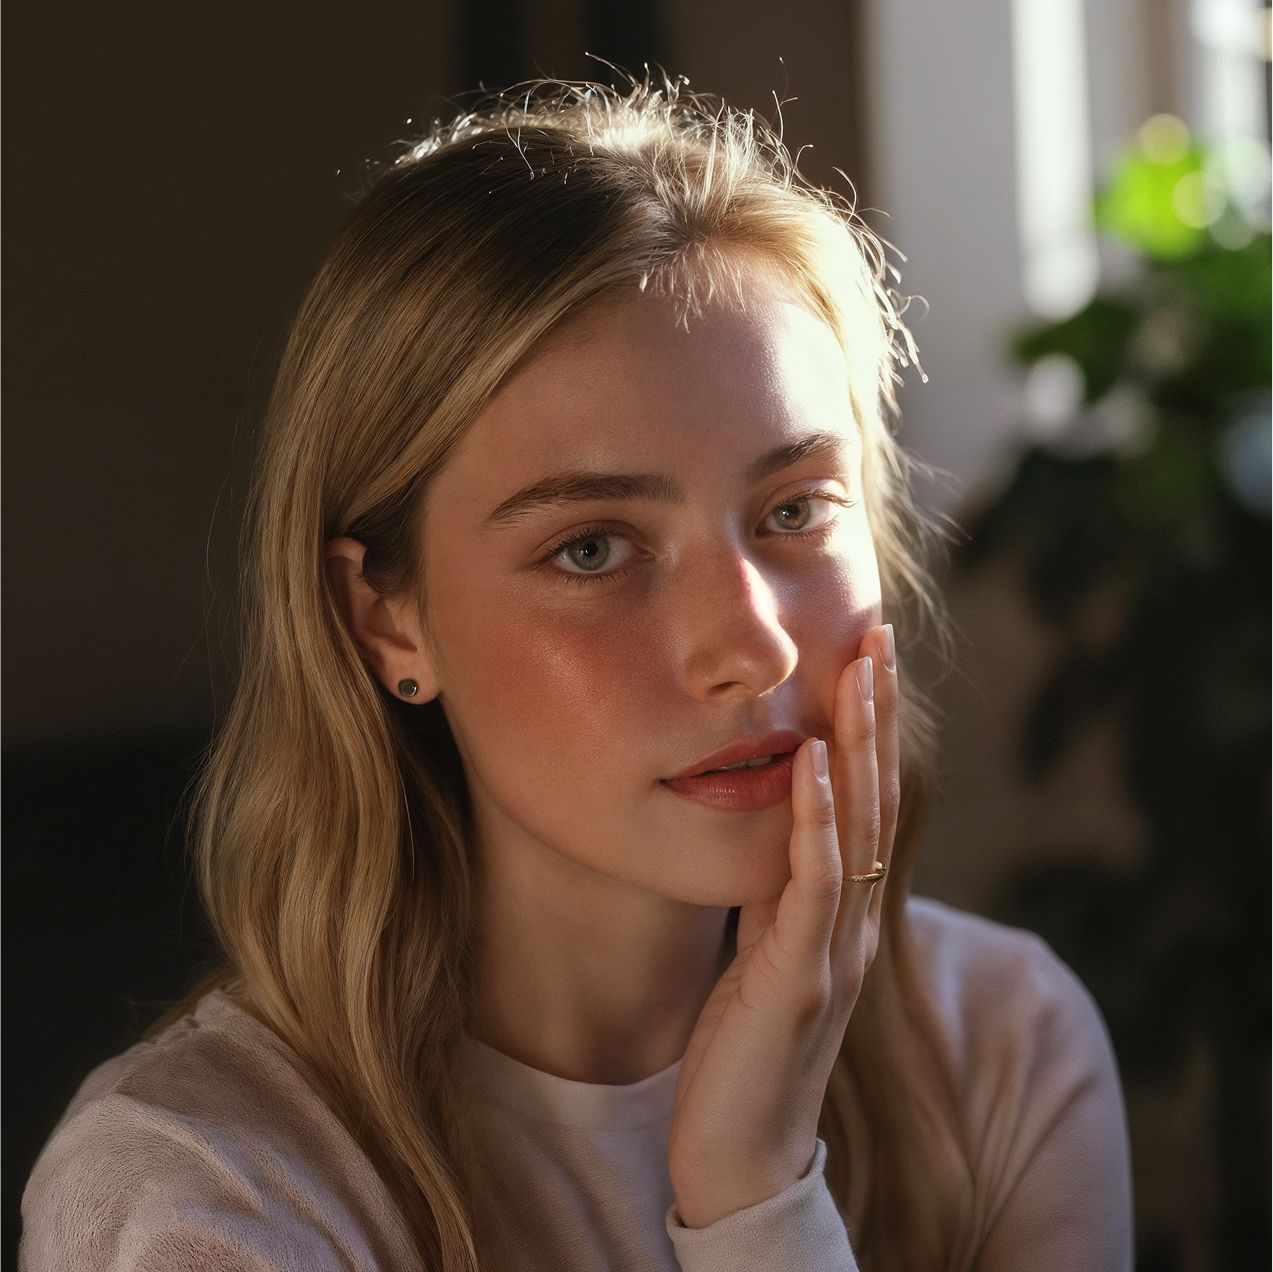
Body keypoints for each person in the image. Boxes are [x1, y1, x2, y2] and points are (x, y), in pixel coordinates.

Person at [19, 72, 1134, 1271]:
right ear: (386, 620)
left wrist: (758, 1185)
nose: (750, 645)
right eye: (591, 548)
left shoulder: (1003, 1051)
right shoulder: (201, 1187)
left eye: (796, 508)